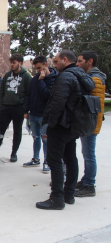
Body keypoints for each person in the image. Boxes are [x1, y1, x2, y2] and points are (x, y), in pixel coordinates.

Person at [36, 50, 95, 210]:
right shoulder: (81, 76)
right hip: (73, 125)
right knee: (70, 159)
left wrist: (50, 124)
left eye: (56, 62)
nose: (54, 65)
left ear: (65, 59)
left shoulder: (66, 76)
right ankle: (68, 194)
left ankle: (57, 198)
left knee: (54, 161)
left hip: (61, 125)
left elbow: (57, 102)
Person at [0, 54, 32, 162]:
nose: (11, 65)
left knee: (17, 131)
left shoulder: (26, 76)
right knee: (0, 131)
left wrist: (26, 109)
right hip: (5, 108)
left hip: (19, 108)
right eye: (11, 62)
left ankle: (14, 153)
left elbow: (29, 94)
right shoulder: (7, 75)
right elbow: (1, 91)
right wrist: (0, 105)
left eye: (14, 62)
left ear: (20, 63)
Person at [74, 51, 106, 197]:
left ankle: (89, 185)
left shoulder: (95, 78)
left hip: (90, 123)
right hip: (89, 122)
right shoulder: (92, 77)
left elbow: (92, 104)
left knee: (89, 154)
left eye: (80, 61)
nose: (78, 63)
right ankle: (86, 179)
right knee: (86, 153)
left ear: (90, 61)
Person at [23, 56, 57, 173]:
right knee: (35, 137)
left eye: (39, 68)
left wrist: (42, 80)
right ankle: (36, 158)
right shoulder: (34, 79)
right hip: (33, 114)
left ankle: (47, 161)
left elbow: (47, 95)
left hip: (45, 115)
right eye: (36, 68)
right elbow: (29, 95)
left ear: (46, 65)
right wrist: (26, 111)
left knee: (45, 139)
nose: (37, 70)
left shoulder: (54, 79)